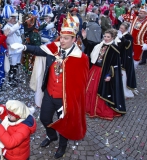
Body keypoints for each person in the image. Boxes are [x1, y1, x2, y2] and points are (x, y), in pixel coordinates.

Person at [11, 12, 89, 159]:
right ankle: (52, 136)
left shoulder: (81, 58)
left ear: (74, 39)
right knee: (45, 118)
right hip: (49, 93)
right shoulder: (54, 48)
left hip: (64, 98)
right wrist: (24, 47)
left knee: (64, 124)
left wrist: (71, 103)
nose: (62, 40)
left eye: (66, 38)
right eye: (61, 37)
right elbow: (39, 50)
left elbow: (81, 84)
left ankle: (62, 146)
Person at [82, 28, 126, 120]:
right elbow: (89, 46)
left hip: (103, 72)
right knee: (89, 89)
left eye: (108, 37)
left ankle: (98, 109)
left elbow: (115, 64)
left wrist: (109, 75)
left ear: (112, 37)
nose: (106, 38)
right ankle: (87, 107)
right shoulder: (100, 45)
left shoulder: (114, 49)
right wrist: (84, 37)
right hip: (94, 70)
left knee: (99, 90)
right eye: (105, 36)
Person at [117, 22, 138, 98]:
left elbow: (127, 44)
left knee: (124, 75)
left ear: (126, 29)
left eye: (122, 28)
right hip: (119, 56)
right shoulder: (119, 35)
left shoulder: (129, 36)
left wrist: (121, 38)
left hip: (125, 58)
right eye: (120, 28)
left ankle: (125, 91)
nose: (120, 29)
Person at [3, 11, 23, 87]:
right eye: (13, 18)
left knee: (16, 64)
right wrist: (18, 24)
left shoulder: (14, 26)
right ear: (9, 19)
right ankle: (11, 80)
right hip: (12, 49)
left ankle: (14, 78)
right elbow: (10, 32)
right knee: (12, 65)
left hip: (18, 49)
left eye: (15, 18)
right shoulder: (6, 27)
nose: (15, 19)